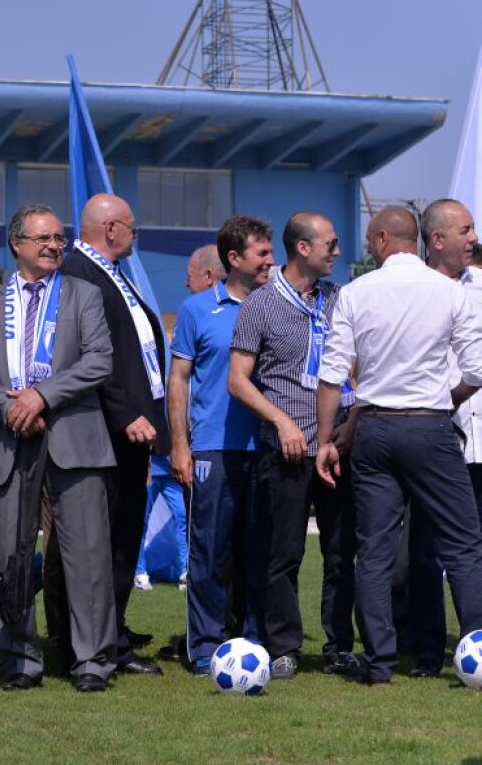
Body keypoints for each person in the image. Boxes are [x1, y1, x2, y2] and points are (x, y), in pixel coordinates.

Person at [315, 206, 482, 687]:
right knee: (464, 545)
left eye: (369, 237)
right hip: (429, 426)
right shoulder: (451, 293)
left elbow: (332, 376)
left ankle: (381, 662)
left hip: (373, 428)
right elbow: (474, 369)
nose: (366, 245)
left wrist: (327, 440)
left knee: (375, 551)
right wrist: (442, 401)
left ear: (385, 238)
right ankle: (475, 646)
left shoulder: (354, 293)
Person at [0, 204, 117, 692]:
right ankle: (19, 659)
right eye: (43, 238)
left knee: (87, 556)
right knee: (11, 555)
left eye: (59, 239)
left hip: (74, 436)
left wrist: (42, 395)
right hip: (6, 439)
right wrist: (10, 409)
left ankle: (93, 661)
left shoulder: (83, 294)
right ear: (17, 244)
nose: (53, 246)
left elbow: (99, 361)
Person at [228, 211, 359, 680]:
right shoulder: (260, 304)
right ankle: (284, 645)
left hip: (337, 449)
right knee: (283, 554)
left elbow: (360, 370)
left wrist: (352, 424)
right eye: (332, 243)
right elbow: (238, 382)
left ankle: (339, 644)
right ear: (303, 248)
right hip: (284, 451)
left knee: (342, 553)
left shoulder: (340, 300)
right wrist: (281, 420)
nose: (338, 252)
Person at [58, 193, 166, 675]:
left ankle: (111, 636)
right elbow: (91, 357)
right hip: (103, 432)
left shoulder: (111, 274)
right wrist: (125, 413)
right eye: (132, 227)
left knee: (122, 537)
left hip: (132, 432)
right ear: (112, 229)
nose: (135, 236)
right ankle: (90, 643)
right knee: (97, 542)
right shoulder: (80, 273)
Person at [169, 216, 273, 675]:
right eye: (262, 253)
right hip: (212, 449)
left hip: (268, 449)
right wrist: (180, 445)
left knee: (259, 552)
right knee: (208, 553)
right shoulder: (195, 309)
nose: (272, 261)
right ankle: (207, 646)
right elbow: (179, 380)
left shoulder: (277, 307)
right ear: (235, 259)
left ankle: (252, 639)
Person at [400, 199, 481, 677]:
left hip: (479, 440)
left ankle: (475, 642)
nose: (474, 238)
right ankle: (427, 652)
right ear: (437, 240)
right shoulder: (415, 292)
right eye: (466, 229)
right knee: (426, 553)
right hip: (434, 438)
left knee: (474, 553)